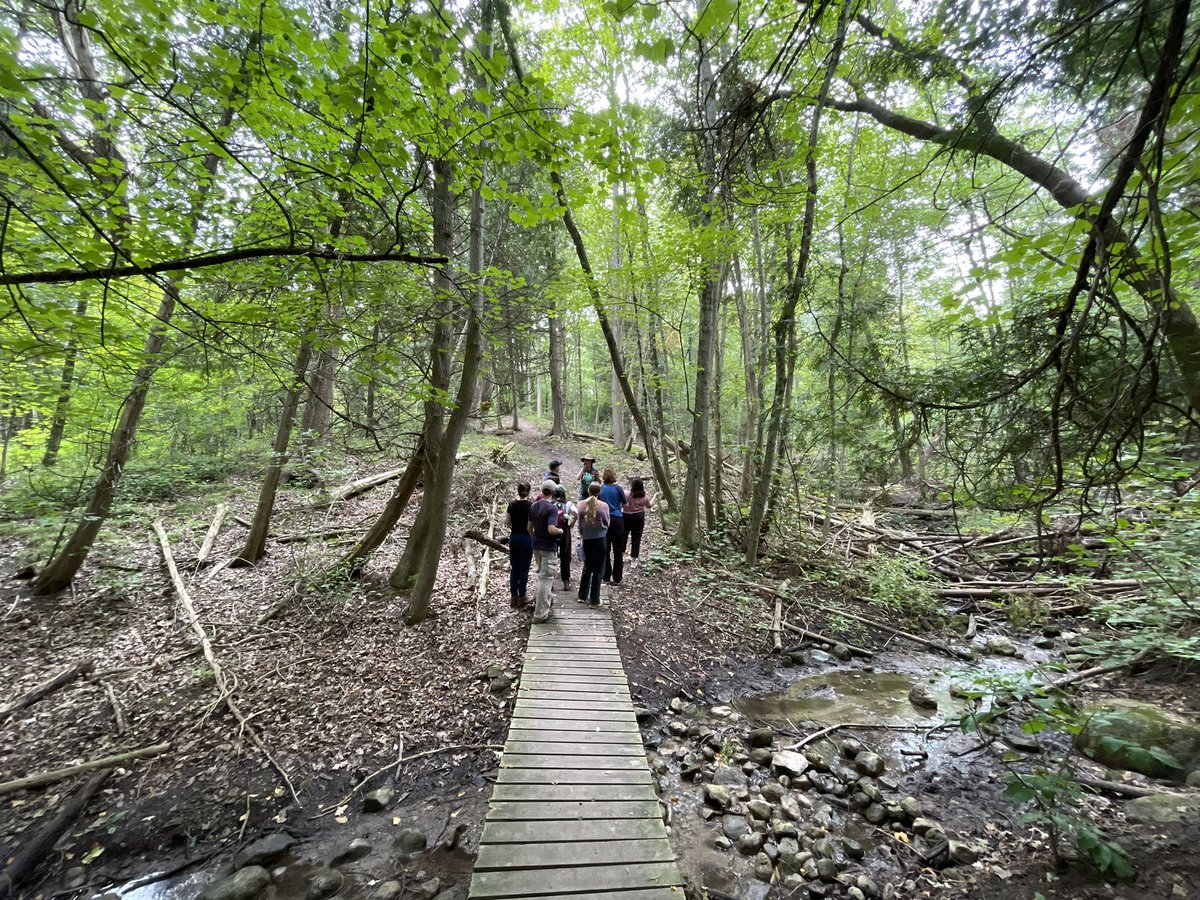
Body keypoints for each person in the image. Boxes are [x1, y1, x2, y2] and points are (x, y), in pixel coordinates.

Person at [528, 480, 564, 623]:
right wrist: (560, 531)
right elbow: (551, 529)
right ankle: (540, 614)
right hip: (548, 548)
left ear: (542, 491)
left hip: (537, 547)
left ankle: (546, 606)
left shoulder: (534, 506)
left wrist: (535, 539)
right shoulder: (552, 508)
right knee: (546, 579)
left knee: (543, 576)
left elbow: (529, 528)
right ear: (554, 492)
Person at [576, 481, 610, 608]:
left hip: (587, 539)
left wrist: (583, 533)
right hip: (600, 539)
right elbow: (607, 522)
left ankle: (581, 595)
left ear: (588, 491)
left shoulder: (580, 504)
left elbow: (579, 523)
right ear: (599, 492)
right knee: (599, 569)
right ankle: (594, 600)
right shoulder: (604, 506)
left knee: (587, 566)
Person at [505, 481, 533, 607]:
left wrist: (515, 526)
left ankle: (513, 596)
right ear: (529, 491)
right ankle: (522, 596)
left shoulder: (511, 505)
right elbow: (532, 526)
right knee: (524, 568)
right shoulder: (531, 506)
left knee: (514, 567)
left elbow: (507, 522)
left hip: (514, 537)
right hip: (527, 538)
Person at [598, 467, 628, 585]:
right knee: (618, 549)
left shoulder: (601, 489)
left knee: (606, 549)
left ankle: (606, 576)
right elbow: (625, 504)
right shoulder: (618, 489)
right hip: (617, 519)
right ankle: (617, 578)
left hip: (604, 520)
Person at [623, 477, 656, 565]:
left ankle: (621, 555)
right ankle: (634, 560)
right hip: (638, 517)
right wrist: (655, 496)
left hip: (625, 516)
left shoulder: (626, 494)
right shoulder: (644, 496)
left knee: (624, 536)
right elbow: (649, 506)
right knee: (636, 538)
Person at [554, 485, 578, 590]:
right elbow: (575, 513)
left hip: (553, 530)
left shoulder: (551, 503)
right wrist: (572, 522)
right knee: (565, 556)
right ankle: (566, 580)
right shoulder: (568, 504)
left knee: (551, 556)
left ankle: (550, 583)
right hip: (565, 531)